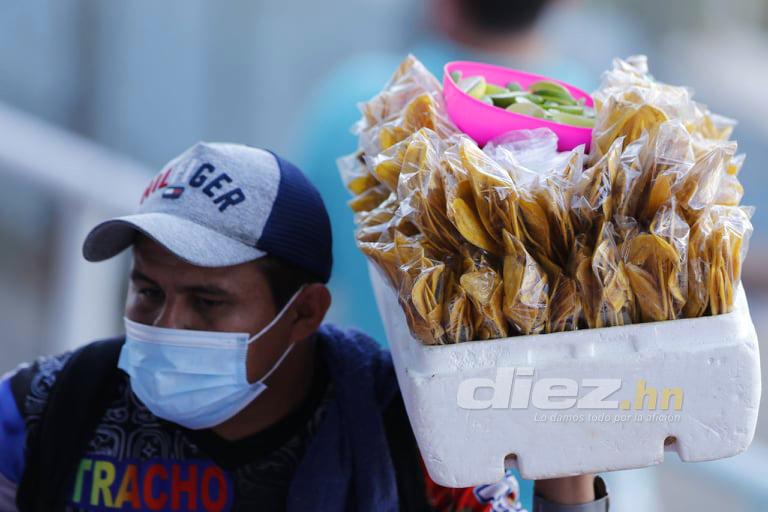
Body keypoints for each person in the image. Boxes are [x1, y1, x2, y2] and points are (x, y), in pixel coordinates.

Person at [0, 142, 608, 511]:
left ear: (303, 313)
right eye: (146, 291)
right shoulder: (44, 410)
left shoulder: (418, 439)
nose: (167, 324)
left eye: (208, 303)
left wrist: (568, 473)